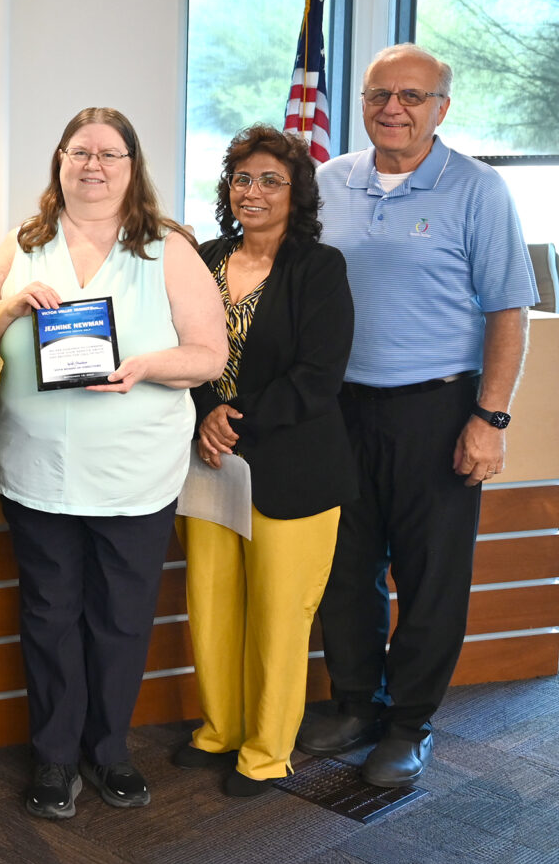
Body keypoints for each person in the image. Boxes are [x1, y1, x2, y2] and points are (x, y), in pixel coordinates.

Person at [299, 43, 538, 787]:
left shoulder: (477, 190)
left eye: (410, 96)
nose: (392, 109)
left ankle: (408, 724)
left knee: (431, 579)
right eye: (379, 95)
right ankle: (354, 703)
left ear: (441, 107)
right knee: (347, 570)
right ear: (363, 102)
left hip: (437, 411)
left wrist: (489, 420)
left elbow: (509, 311)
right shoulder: (329, 180)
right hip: (339, 410)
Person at [0, 107, 225, 820]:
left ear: (131, 165)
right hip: (37, 470)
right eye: (79, 151)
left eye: (109, 154)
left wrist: (146, 366)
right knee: (49, 616)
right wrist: (11, 306)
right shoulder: (24, 243)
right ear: (58, 161)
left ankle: (109, 751)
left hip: (134, 472)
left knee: (119, 619)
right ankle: (55, 758)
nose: (93, 165)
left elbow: (209, 354)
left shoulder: (168, 248)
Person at [171, 125, 355, 797]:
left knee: (280, 615)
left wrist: (230, 417)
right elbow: (180, 348)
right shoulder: (203, 258)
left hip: (294, 467)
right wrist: (203, 418)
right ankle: (220, 728)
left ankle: (265, 751)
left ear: (296, 192)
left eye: (270, 180)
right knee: (211, 601)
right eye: (242, 179)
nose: (253, 191)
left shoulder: (319, 268)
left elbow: (317, 375)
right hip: (210, 462)